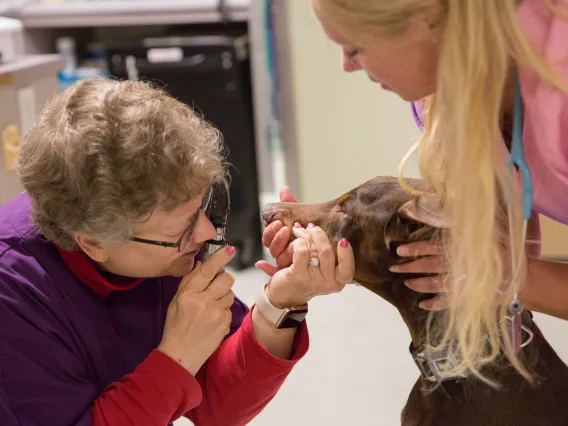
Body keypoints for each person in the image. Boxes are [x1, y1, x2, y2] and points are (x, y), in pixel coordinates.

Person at [0, 77, 355, 426]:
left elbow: (217, 408)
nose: (203, 232)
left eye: (204, 207)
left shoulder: (158, 246)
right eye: (182, 227)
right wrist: (177, 357)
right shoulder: (14, 295)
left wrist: (282, 302)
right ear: (93, 243)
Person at [260, 0, 568, 382]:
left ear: (429, 18)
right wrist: (345, 245)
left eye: (356, 48)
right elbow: (502, 244)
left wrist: (511, 276)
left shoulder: (561, 96)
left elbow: (507, 269)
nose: (347, 65)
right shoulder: (438, 99)